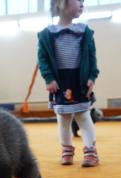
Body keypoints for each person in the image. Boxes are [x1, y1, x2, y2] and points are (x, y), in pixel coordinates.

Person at [37, 0, 100, 166]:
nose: (82, 4)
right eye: (78, 0)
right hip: (60, 82)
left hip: (79, 80)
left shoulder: (84, 31)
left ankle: (90, 151)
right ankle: (66, 150)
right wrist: (48, 78)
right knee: (63, 117)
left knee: (84, 115)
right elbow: (42, 59)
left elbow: (92, 57)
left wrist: (92, 77)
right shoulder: (47, 34)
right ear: (60, 3)